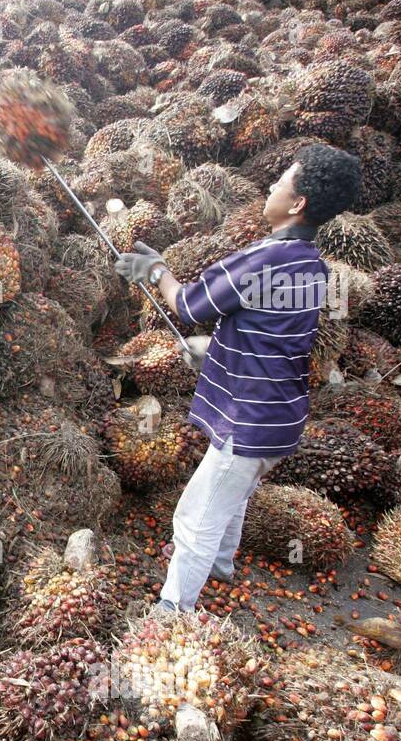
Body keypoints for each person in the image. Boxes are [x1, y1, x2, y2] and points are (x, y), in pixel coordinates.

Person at [114, 143, 362, 613]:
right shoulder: (312, 265)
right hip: (280, 420)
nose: (270, 186)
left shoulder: (263, 259)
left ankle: (173, 610)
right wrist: (214, 351)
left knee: (196, 515)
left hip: (247, 420)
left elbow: (189, 306)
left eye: (281, 181)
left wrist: (155, 270)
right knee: (236, 493)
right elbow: (276, 336)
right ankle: (220, 566)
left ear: (297, 203)